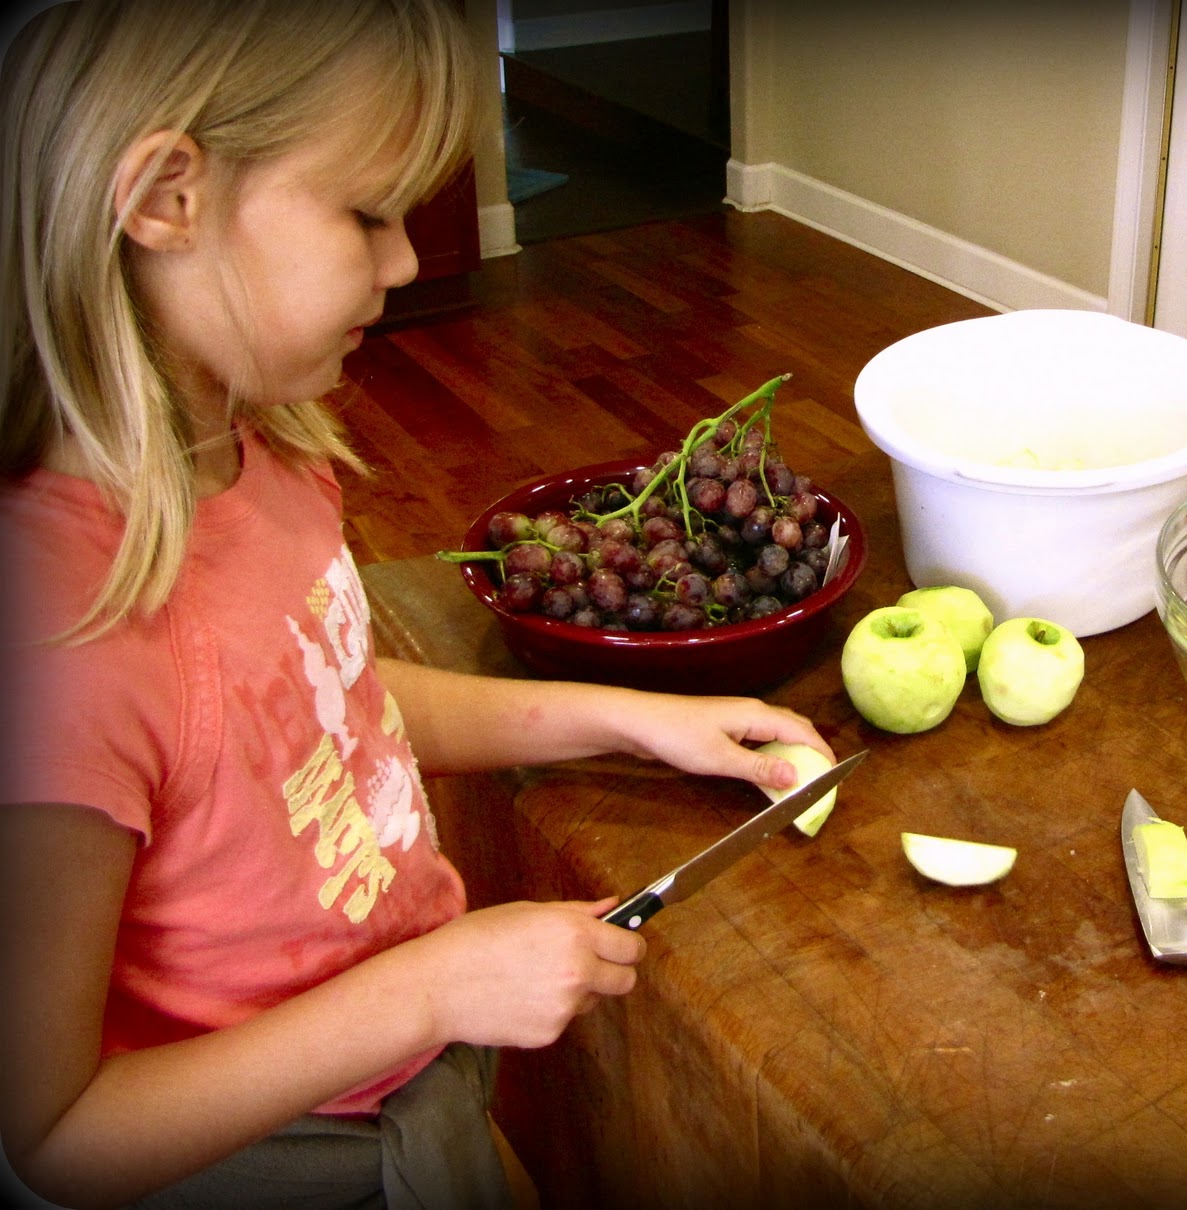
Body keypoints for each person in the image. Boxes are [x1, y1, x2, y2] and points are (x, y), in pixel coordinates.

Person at [0, 2, 834, 1206]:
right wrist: (430, 990)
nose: (401, 261)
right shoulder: (62, 649)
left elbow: (326, 707)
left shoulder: (263, 451)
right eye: (366, 213)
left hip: (403, 1073)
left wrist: (635, 720)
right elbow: (57, 1133)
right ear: (166, 197)